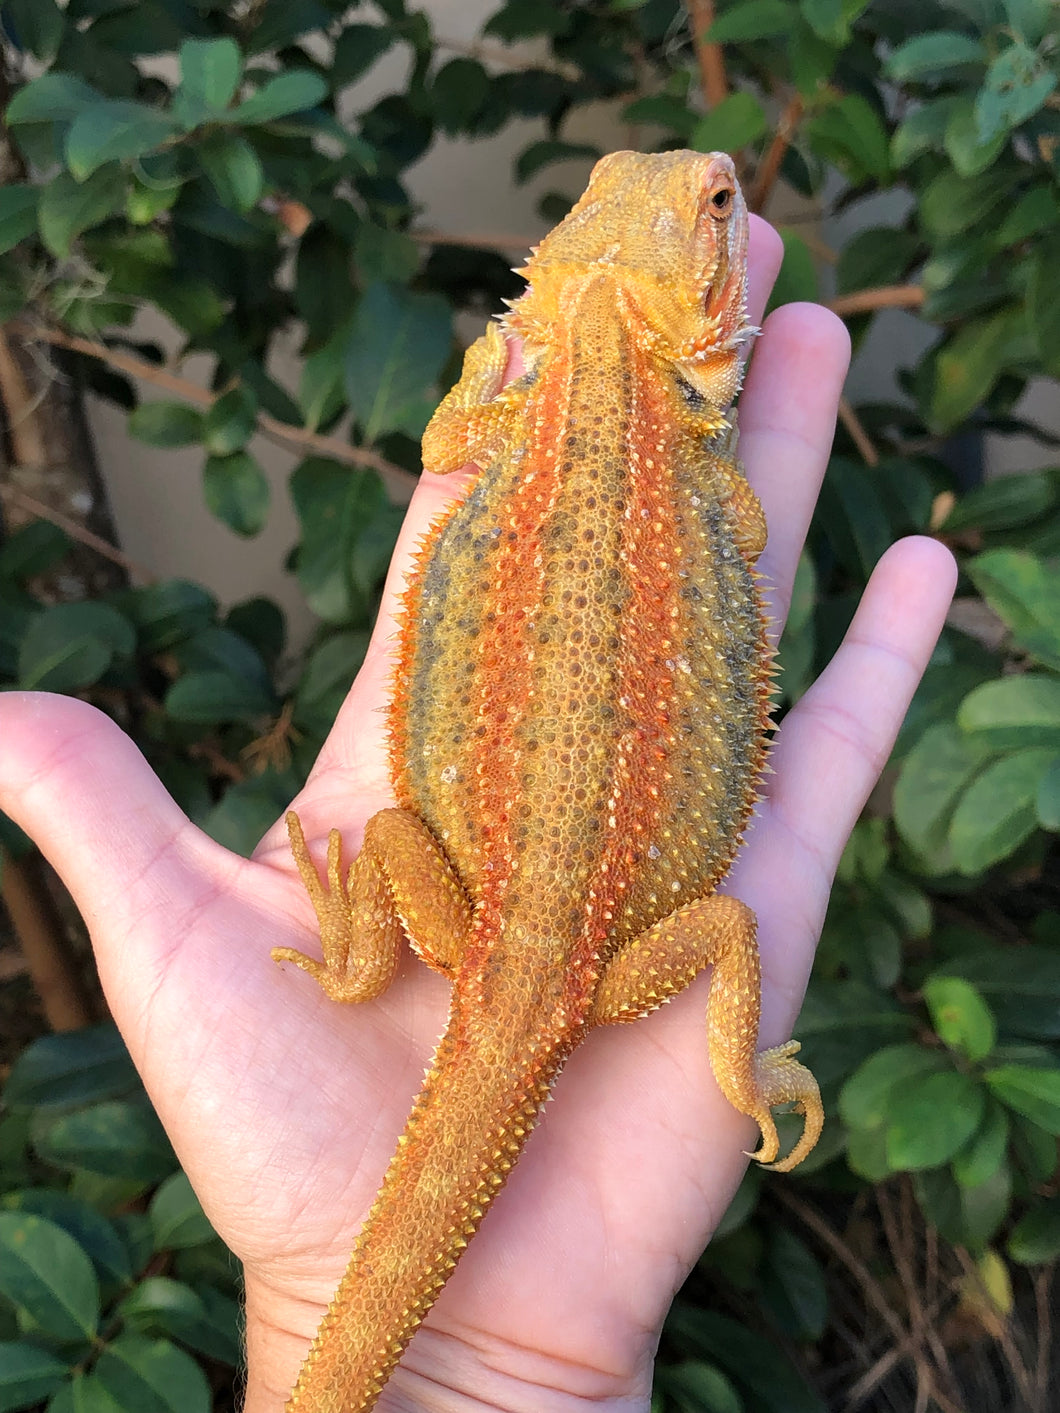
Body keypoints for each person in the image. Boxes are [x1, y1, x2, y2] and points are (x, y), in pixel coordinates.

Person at [0, 216, 955, 1411]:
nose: (719, 208)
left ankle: (356, 967)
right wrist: (743, 1076)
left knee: (637, 907)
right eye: (710, 219)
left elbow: (449, 435)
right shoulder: (703, 477)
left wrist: (363, 965)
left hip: (479, 932)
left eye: (713, 208)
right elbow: (749, 536)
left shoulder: (509, 428)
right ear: (700, 312)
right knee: (713, 922)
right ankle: (730, 1073)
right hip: (573, 960)